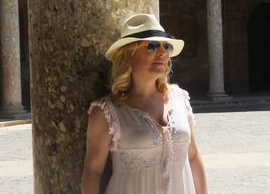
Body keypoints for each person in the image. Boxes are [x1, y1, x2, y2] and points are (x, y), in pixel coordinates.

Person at [81, 14, 207, 194]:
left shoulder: (180, 99)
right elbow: (93, 171)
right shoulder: (107, 111)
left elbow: (193, 157)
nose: (162, 52)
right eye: (153, 46)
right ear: (129, 55)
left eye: (167, 46)